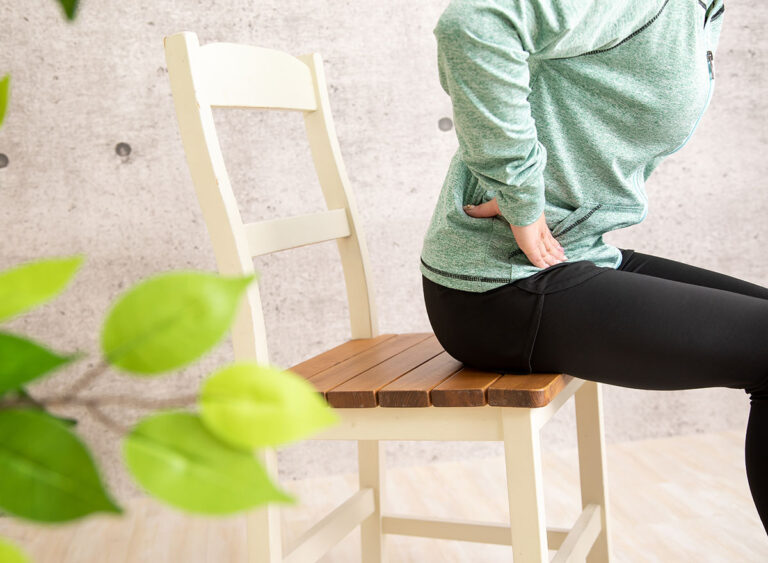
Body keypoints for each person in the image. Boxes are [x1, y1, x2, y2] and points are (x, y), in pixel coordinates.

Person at [419, 0, 768, 537]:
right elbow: (475, 24)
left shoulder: (705, 9)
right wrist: (520, 194)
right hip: (499, 286)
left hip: (576, 254)